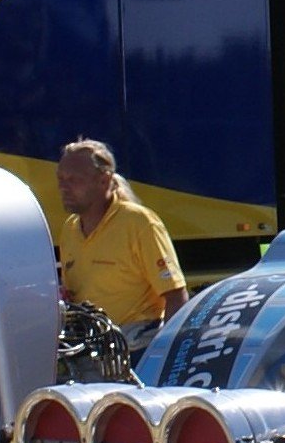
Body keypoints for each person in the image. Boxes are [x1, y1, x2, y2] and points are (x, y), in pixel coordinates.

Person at [54, 139, 187, 328]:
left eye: (74, 180)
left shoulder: (139, 223)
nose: (63, 187)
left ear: (104, 181)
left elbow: (176, 295)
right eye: (61, 179)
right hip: (92, 343)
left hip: (137, 344)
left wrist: (163, 350)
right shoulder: (70, 228)